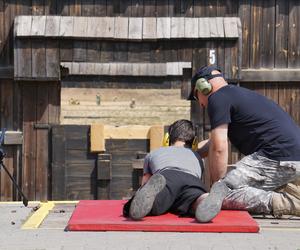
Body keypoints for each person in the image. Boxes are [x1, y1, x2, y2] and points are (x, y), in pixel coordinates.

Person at [188, 65, 300, 219]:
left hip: (276, 156)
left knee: (223, 195)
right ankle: (292, 189)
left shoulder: (217, 98)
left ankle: (289, 203)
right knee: (231, 187)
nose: (200, 104)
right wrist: (194, 154)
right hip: (288, 156)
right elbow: (215, 141)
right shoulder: (236, 95)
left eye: (196, 97)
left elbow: (219, 148)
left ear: (203, 86)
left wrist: (217, 186)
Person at [123, 119, 229, 222]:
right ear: (194, 143)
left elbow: (145, 182)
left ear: (167, 139)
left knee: (155, 200)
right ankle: (205, 198)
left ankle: (151, 202)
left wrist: (143, 189)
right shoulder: (197, 157)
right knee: (193, 199)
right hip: (191, 180)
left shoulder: (154, 153)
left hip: (166, 177)